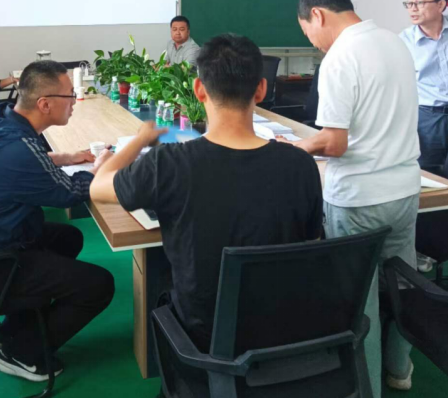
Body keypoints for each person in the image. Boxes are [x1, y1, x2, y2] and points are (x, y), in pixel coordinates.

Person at [90, 33, 323, 353]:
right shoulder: (301, 164)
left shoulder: (168, 163)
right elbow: (311, 242)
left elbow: (98, 188)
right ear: (261, 89)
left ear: (199, 89)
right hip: (284, 325)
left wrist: (141, 139)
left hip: (203, 333)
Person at [287, 0, 420, 396]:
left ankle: (367, 389)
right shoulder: (395, 42)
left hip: (360, 198)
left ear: (318, 15)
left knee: (358, 301)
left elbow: (334, 143)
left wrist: (296, 148)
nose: (312, 42)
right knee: (402, 287)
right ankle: (400, 369)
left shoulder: (340, 57)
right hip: (404, 189)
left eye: (307, 32)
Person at [0, 60, 115, 382]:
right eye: (70, 95)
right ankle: (20, 354)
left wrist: (67, 157)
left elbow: (21, 162)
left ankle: (11, 328)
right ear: (45, 104)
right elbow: (71, 192)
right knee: (98, 284)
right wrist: (103, 166)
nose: (75, 101)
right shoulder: (17, 148)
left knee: (67, 238)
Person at [399, 0, 448, 173]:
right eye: (409, 3)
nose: (413, 9)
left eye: (420, 2)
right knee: (428, 172)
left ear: (441, 5)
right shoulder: (404, 41)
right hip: (428, 117)